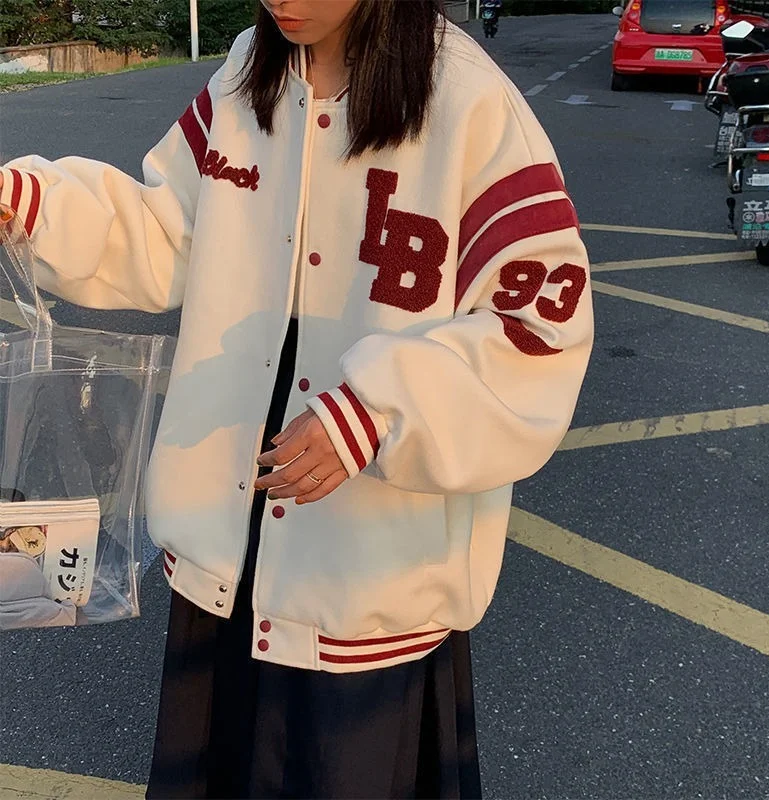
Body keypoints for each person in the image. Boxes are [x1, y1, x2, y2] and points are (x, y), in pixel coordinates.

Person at [0, 0, 593, 796]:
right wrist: (27, 201)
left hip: (363, 584)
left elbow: (539, 327)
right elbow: (164, 229)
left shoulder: (468, 102)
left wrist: (375, 411)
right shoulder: (251, 71)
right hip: (224, 556)